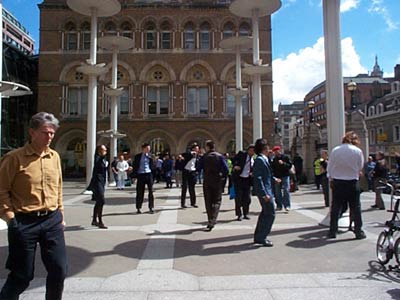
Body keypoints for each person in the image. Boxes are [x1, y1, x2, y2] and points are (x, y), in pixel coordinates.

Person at [0, 112, 67, 300]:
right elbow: (1, 189)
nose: (50, 137)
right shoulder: (14, 158)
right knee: (22, 276)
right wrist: (10, 218)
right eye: (46, 132)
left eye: (53, 133)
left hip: (51, 220)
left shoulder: (54, 157)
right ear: (32, 132)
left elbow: (58, 187)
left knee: (59, 269)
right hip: (24, 222)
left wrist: (60, 213)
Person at [327, 131, 366, 240]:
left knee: (335, 206)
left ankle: (332, 231)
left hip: (338, 182)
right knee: (356, 207)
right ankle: (358, 231)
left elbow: (330, 167)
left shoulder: (335, 150)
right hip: (352, 182)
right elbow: (360, 166)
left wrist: (331, 178)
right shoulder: (357, 151)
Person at [198, 140, 228, 231]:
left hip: (207, 180)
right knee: (217, 200)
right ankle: (213, 219)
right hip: (217, 180)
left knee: (208, 200)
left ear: (207, 147)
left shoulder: (204, 157)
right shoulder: (220, 156)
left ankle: (210, 219)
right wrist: (222, 176)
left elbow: (198, 167)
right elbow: (226, 169)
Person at [253, 138, 275, 247]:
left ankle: (259, 236)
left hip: (267, 189)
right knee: (270, 213)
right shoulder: (259, 160)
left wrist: (274, 179)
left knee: (265, 213)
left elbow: (266, 175)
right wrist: (263, 193)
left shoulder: (264, 159)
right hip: (265, 191)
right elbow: (258, 178)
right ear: (264, 148)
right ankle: (262, 237)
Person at [88, 144, 109, 229]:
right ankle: (100, 221)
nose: (105, 152)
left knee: (99, 202)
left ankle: (94, 220)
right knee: (102, 200)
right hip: (97, 182)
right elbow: (97, 163)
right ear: (99, 151)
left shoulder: (104, 159)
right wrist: (102, 156)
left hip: (102, 182)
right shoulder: (97, 158)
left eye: (106, 150)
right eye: (104, 150)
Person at [231, 145, 255, 220]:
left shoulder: (254, 158)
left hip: (247, 180)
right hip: (239, 179)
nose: (252, 152)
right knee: (238, 197)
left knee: (247, 198)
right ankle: (239, 214)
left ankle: (246, 213)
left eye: (253, 151)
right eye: (251, 150)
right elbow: (233, 160)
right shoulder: (242, 154)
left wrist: (252, 173)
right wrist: (235, 166)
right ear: (248, 150)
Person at [132, 143, 155, 214]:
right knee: (139, 192)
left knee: (151, 191)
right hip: (140, 175)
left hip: (148, 174)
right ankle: (138, 207)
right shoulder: (138, 156)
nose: (148, 150)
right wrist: (134, 176)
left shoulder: (151, 156)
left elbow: (153, 166)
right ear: (143, 149)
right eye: (147, 148)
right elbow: (135, 166)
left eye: (149, 149)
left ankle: (151, 207)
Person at [270, 145, 292, 212]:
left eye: (278, 150)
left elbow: (289, 166)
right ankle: (279, 205)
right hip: (277, 177)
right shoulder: (274, 159)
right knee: (277, 192)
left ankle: (287, 206)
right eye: (275, 151)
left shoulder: (285, 157)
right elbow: (272, 169)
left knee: (286, 190)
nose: (277, 152)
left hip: (285, 176)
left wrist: (283, 164)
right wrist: (275, 177)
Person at [181, 143, 200, 208]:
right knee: (184, 188)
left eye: (198, 149)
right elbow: (183, 155)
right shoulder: (189, 153)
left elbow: (197, 164)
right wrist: (191, 153)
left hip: (192, 173)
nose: (198, 150)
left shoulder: (197, 156)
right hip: (186, 172)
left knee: (192, 188)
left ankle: (193, 203)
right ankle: (183, 203)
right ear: (193, 149)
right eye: (196, 148)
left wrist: (196, 171)